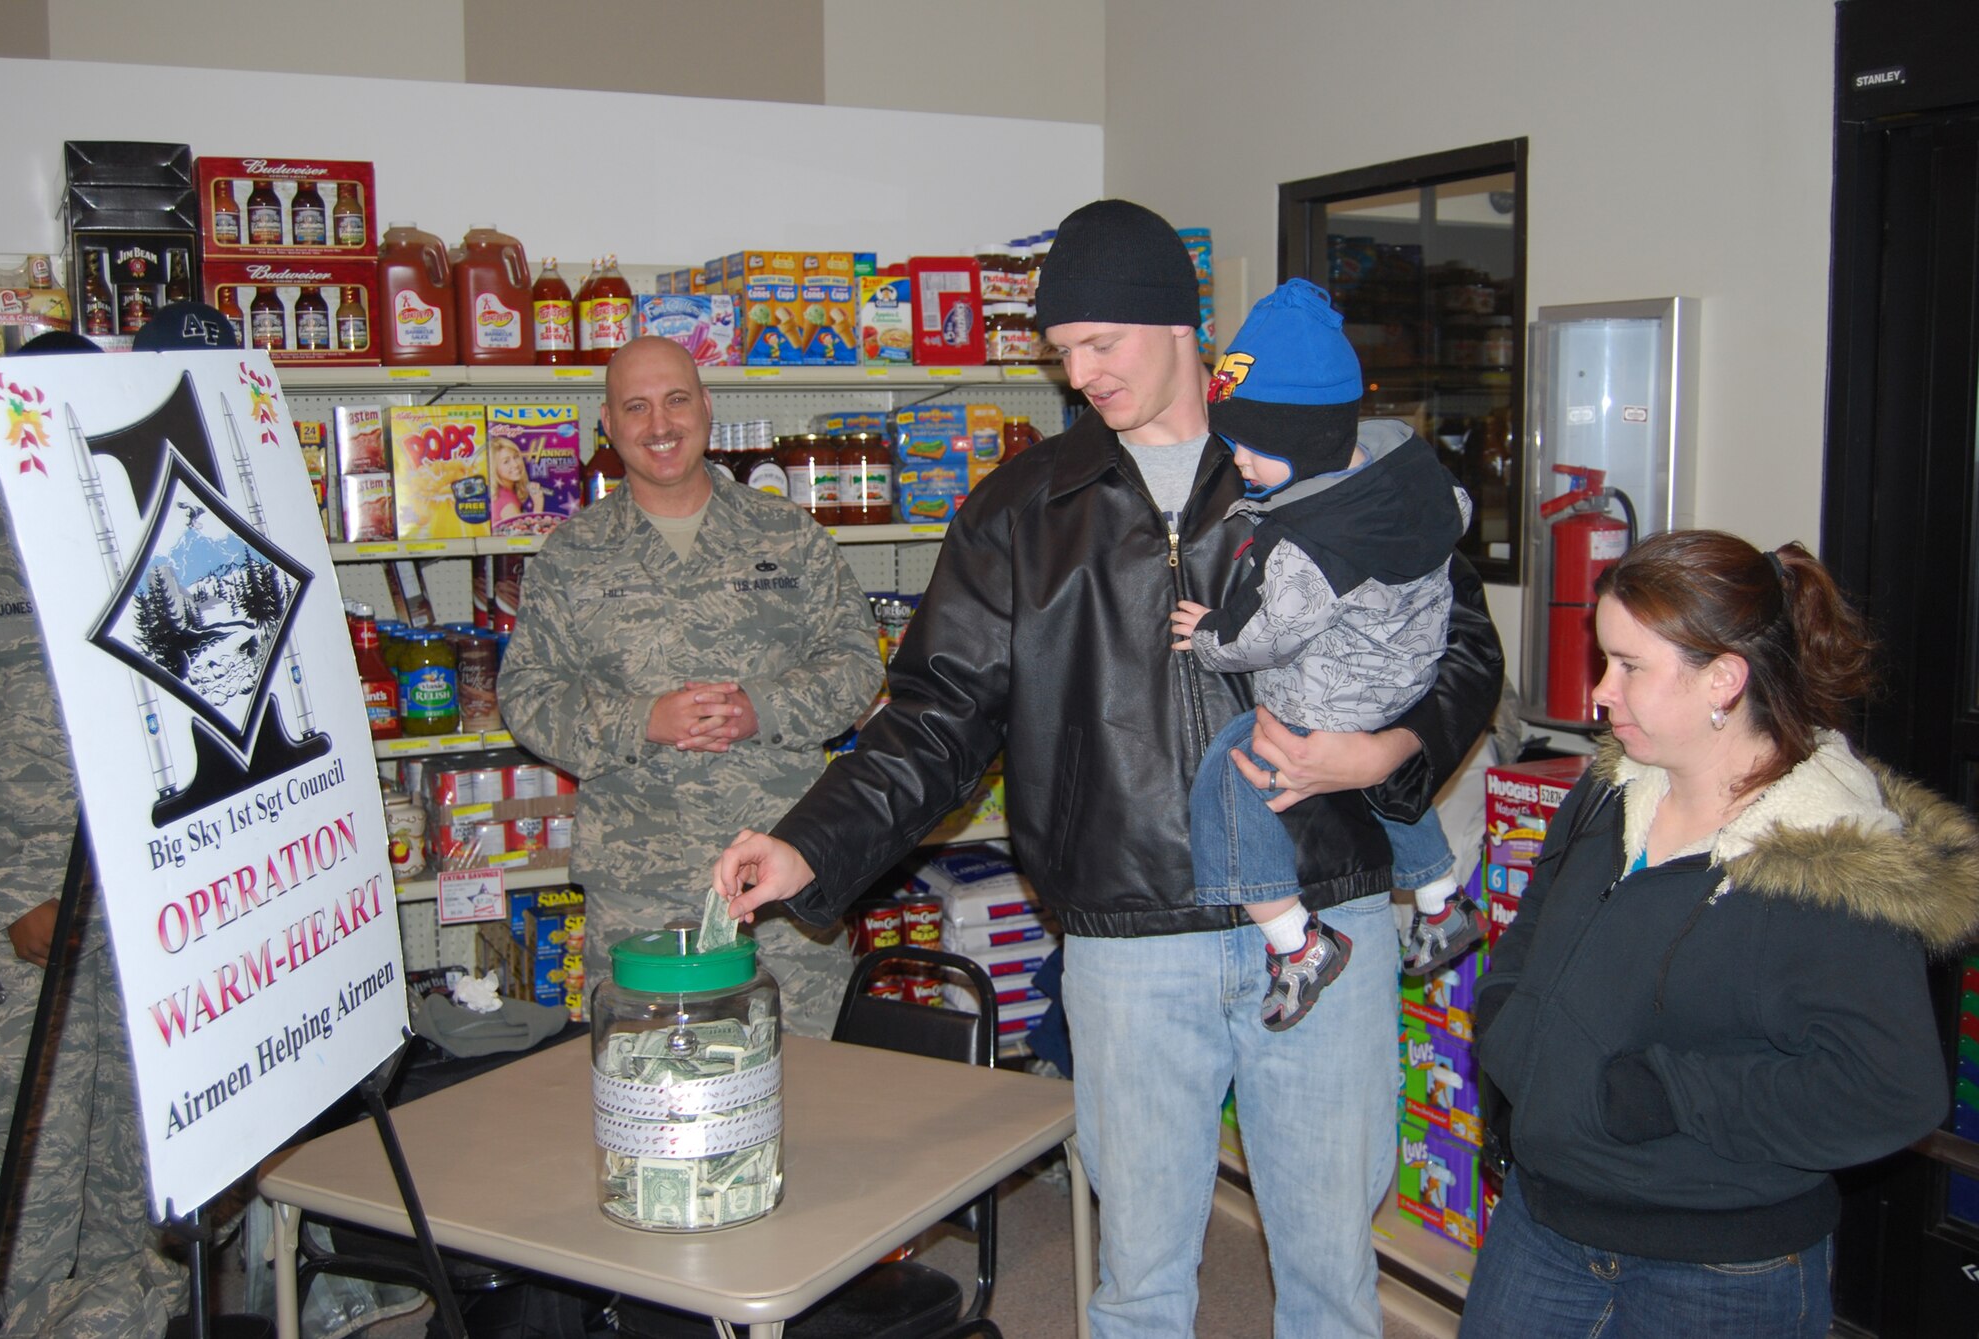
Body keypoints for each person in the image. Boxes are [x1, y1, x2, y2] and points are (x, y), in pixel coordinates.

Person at [714, 199, 1504, 1338]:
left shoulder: (1330, 460)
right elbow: (936, 714)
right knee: (1138, 1283)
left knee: (1332, 1272)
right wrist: (809, 841)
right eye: (1060, 352)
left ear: (1181, 325)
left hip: (1326, 908)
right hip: (1127, 941)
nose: (1078, 375)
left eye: (1099, 343)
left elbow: (1460, 643)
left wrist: (1390, 749)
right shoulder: (1021, 509)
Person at [1465, 530, 1979, 1339]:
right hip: (1543, 1222)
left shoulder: (1822, 862)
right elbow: (1531, 935)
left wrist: (1669, 1094)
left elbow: (1891, 1089)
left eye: (1629, 666)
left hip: (1719, 1272)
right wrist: (1507, 1026)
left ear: (1725, 679)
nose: (1601, 691)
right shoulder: (1612, 790)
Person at [498, 336, 883, 1037]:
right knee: (647, 1076)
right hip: (637, 888)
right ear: (607, 424)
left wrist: (761, 708)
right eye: (636, 407)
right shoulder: (571, 555)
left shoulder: (788, 535)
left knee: (812, 1077)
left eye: (676, 400)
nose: (660, 424)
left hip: (782, 873)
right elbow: (526, 693)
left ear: (706, 407)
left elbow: (858, 661)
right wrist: (640, 720)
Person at [1170, 279, 1481, 1031]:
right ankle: (1441, 900)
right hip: (1407, 680)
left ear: (1308, 443)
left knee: (1227, 782)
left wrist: (1208, 635)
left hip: (1328, 696)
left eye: (1255, 448)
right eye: (1232, 443)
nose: (1239, 460)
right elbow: (1459, 513)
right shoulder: (1414, 481)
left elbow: (1267, 634)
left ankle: (1297, 942)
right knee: (1386, 781)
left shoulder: (1312, 543)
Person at [0, 337, 187, 1335]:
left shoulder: (146, 538)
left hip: (145, 916)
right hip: (18, 931)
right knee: (25, 1191)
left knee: (138, 1184)